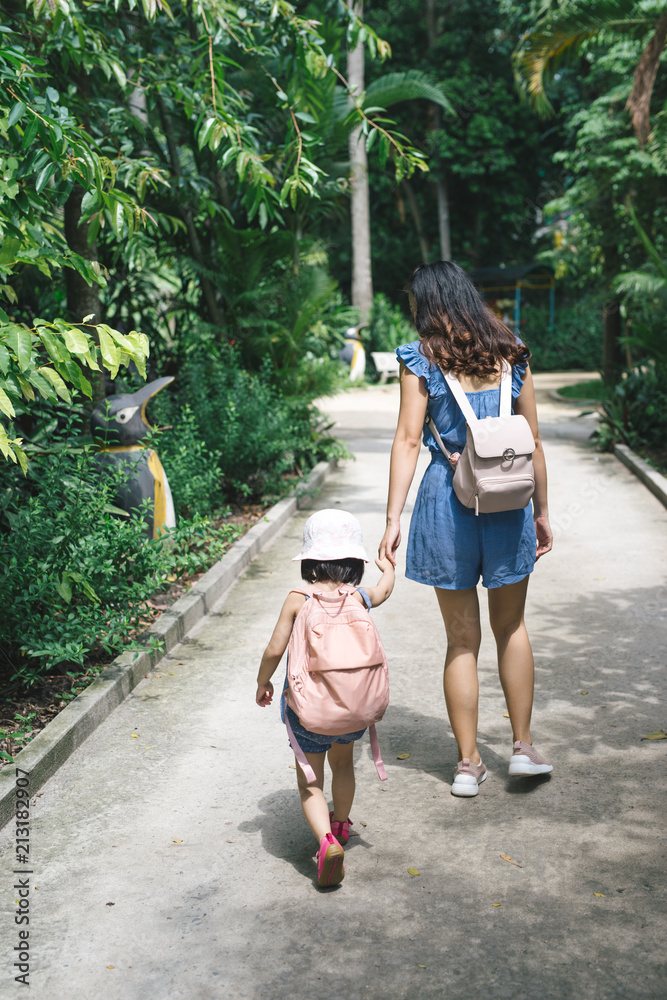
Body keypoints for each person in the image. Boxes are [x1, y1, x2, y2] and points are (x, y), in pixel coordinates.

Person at [379, 261, 554, 797]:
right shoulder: (511, 353)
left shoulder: (420, 359)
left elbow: (409, 441)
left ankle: (468, 763)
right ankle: (522, 749)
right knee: (512, 628)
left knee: (461, 640)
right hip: (508, 500)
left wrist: (392, 518)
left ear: (427, 304)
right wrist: (542, 511)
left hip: (445, 503)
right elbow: (534, 441)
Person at [256, 508, 395, 886]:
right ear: (354, 562)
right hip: (355, 710)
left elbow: (273, 649)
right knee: (344, 766)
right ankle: (342, 826)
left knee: (311, 782)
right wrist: (389, 567)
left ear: (310, 559)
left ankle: (326, 841)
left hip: (310, 712)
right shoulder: (359, 597)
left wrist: (262, 682)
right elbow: (384, 590)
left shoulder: (299, 598)